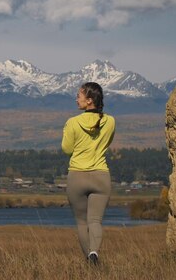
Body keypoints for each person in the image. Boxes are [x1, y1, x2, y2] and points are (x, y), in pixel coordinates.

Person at [61, 82, 115, 265]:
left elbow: (67, 149)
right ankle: (94, 252)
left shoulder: (72, 122)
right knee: (95, 221)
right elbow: (106, 143)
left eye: (79, 96)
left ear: (89, 100)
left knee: (82, 222)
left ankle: (90, 264)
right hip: (101, 176)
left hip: (77, 176)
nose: (76, 99)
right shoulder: (111, 121)